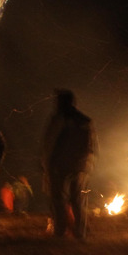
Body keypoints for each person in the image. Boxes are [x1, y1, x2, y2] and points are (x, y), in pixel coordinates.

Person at [41, 89, 96, 239]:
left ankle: (60, 232)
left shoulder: (59, 118)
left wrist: (46, 166)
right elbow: (92, 147)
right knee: (79, 201)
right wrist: (88, 166)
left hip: (60, 166)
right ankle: (81, 233)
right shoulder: (86, 121)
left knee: (59, 199)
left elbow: (49, 143)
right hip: (81, 167)